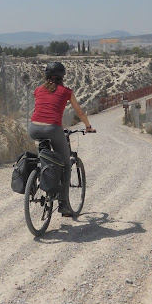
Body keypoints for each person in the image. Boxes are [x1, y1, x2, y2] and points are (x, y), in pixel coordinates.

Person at [28, 61, 95, 217]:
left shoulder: (38, 90)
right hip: (53, 128)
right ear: (62, 76)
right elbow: (80, 112)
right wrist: (88, 126)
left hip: (33, 128)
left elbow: (43, 107)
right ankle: (64, 204)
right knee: (65, 163)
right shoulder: (66, 91)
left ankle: (39, 178)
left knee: (45, 155)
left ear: (46, 76)